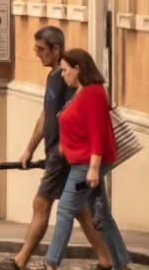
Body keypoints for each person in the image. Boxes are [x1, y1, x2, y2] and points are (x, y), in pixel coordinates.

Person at [12, 28, 111, 270]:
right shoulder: (53, 77)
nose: (37, 54)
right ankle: (107, 259)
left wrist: (64, 152)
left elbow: (78, 120)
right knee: (80, 210)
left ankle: (22, 261)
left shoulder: (67, 79)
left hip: (63, 155)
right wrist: (29, 149)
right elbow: (46, 115)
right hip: (59, 153)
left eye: (41, 49)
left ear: (56, 50)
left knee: (42, 203)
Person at [43, 48, 130, 270]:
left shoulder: (93, 93)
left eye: (66, 70)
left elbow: (96, 132)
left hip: (86, 166)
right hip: (82, 162)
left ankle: (51, 263)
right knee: (101, 214)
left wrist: (93, 168)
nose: (63, 75)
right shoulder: (81, 91)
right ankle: (121, 264)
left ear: (78, 69)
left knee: (65, 209)